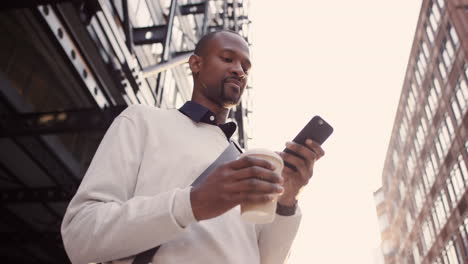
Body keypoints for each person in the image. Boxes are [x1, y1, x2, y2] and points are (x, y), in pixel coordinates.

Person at [61, 30, 325, 264]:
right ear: (195, 63)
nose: (239, 70)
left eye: (246, 66)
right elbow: (80, 234)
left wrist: (288, 200)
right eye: (227, 58)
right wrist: (193, 203)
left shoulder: (247, 161)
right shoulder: (143, 120)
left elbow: (266, 259)